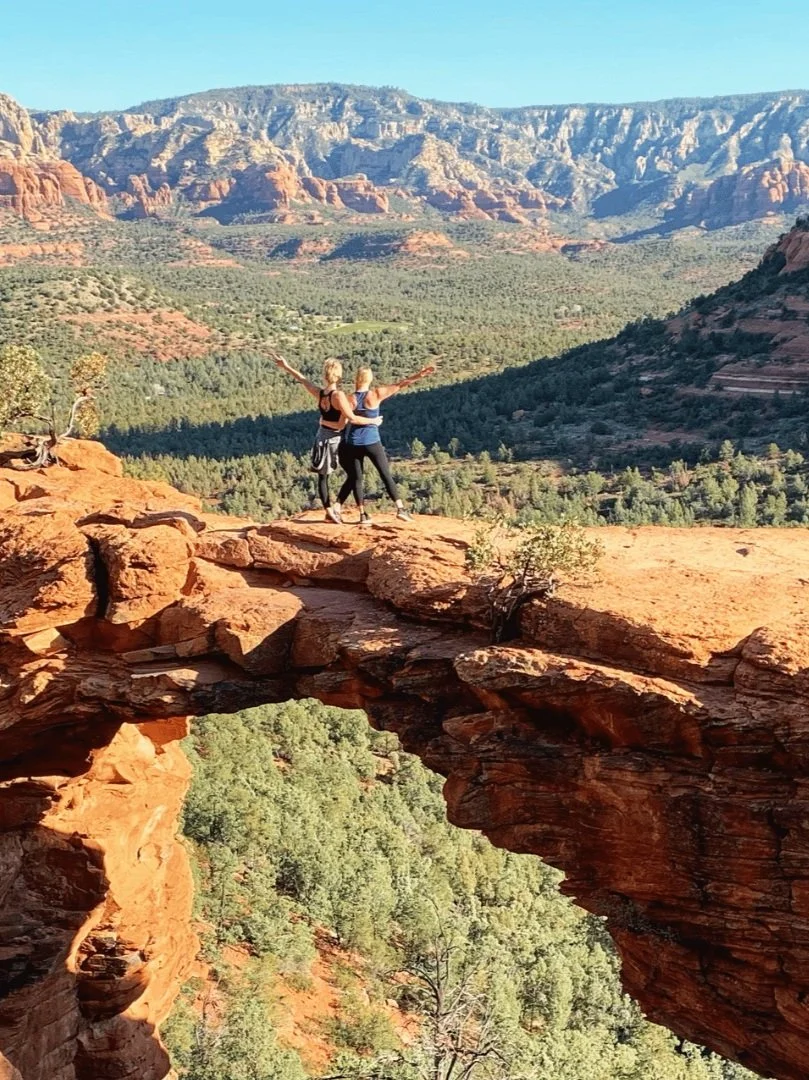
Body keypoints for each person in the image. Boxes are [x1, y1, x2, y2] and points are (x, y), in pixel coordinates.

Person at [272, 353, 382, 523]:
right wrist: (373, 420)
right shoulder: (338, 396)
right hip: (336, 440)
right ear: (339, 375)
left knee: (324, 477)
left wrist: (286, 366)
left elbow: (303, 379)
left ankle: (331, 509)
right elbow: (347, 421)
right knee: (353, 475)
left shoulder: (321, 393)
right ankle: (335, 509)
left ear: (325, 375)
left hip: (321, 437)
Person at [335, 362, 436, 526]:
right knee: (385, 474)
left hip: (353, 442)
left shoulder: (350, 399)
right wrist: (419, 375)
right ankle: (400, 509)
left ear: (356, 379)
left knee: (357, 479)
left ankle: (362, 514)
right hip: (372, 441)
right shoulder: (376, 394)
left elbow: (344, 421)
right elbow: (400, 385)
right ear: (370, 379)